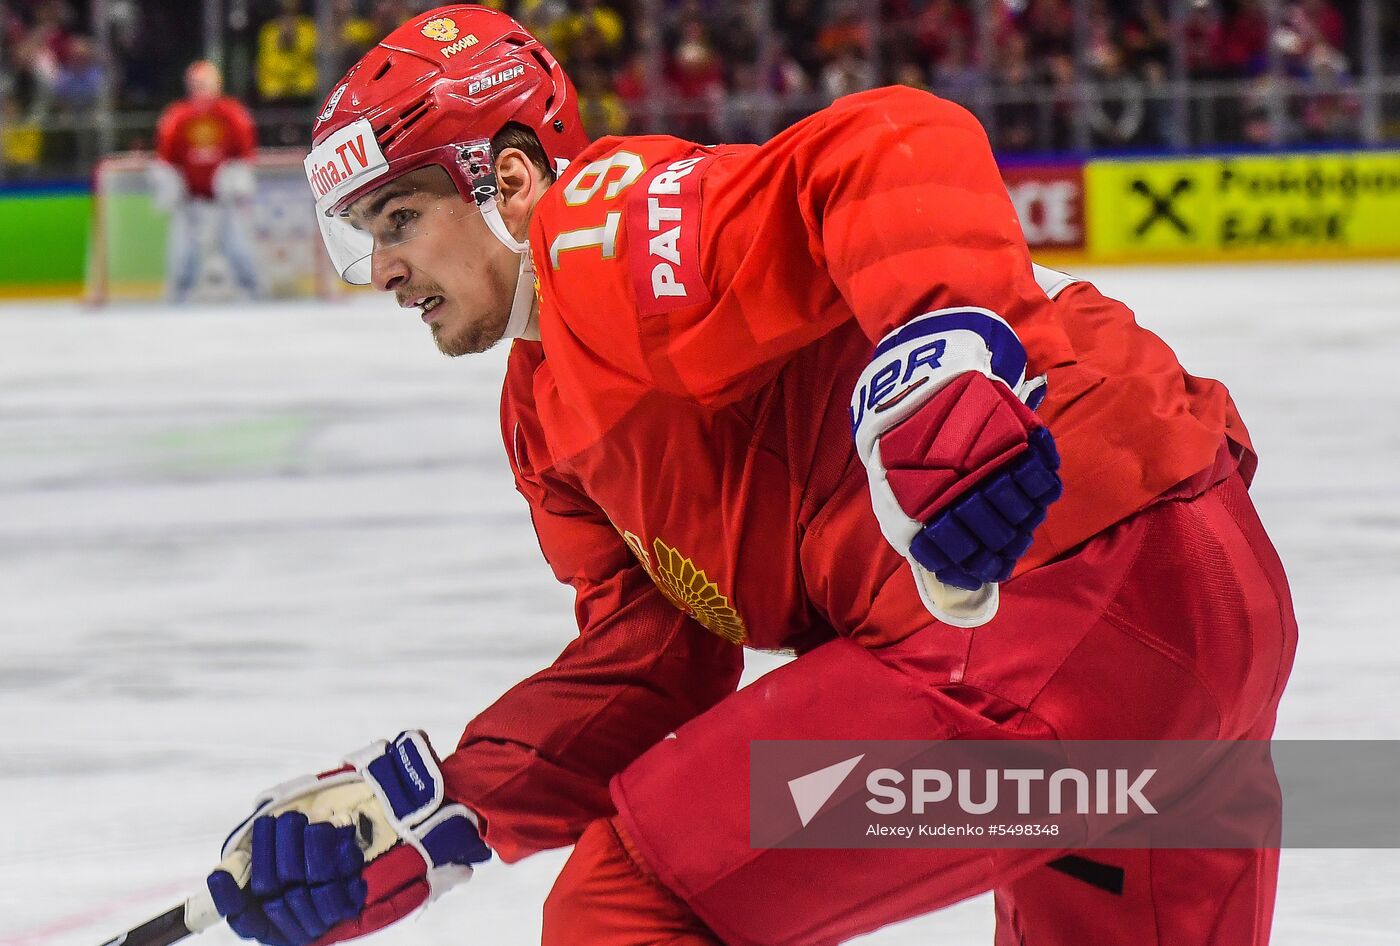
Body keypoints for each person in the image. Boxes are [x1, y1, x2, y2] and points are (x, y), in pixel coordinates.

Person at [203, 6, 1297, 946]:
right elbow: (649, 669)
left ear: (512, 180)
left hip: (1056, 590)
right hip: (1192, 607)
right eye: (364, 238)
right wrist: (428, 810)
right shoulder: (544, 414)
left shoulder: (601, 232)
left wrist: (943, 349)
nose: (383, 271)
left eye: (399, 220)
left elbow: (890, 141)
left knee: (631, 905)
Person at [152, 60, 261, 302]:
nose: (201, 90)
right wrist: (171, 186)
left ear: (217, 85)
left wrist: (235, 181)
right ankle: (178, 297)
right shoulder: (176, 116)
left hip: (225, 201)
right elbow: (166, 161)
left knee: (239, 248)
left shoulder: (233, 113)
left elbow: (245, 156)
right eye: (196, 85)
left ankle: (252, 293)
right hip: (190, 200)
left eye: (206, 84)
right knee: (182, 254)